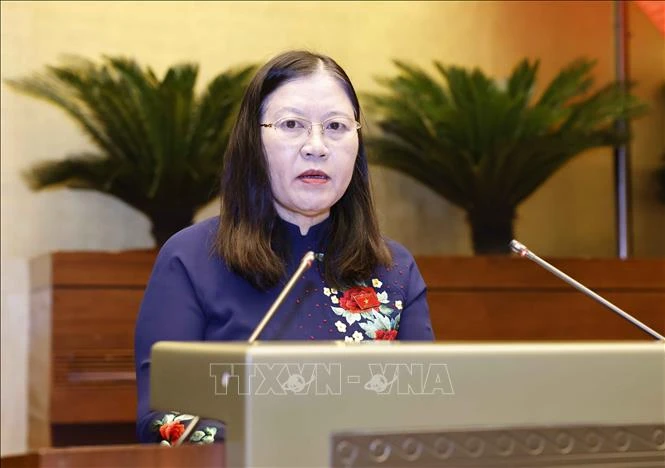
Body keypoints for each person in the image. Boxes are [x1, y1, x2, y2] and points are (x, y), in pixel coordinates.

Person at [134, 50, 434, 446]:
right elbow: (163, 419)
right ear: (252, 141)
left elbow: (426, 413)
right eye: (292, 124)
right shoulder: (190, 258)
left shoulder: (394, 269)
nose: (316, 146)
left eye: (336, 126)